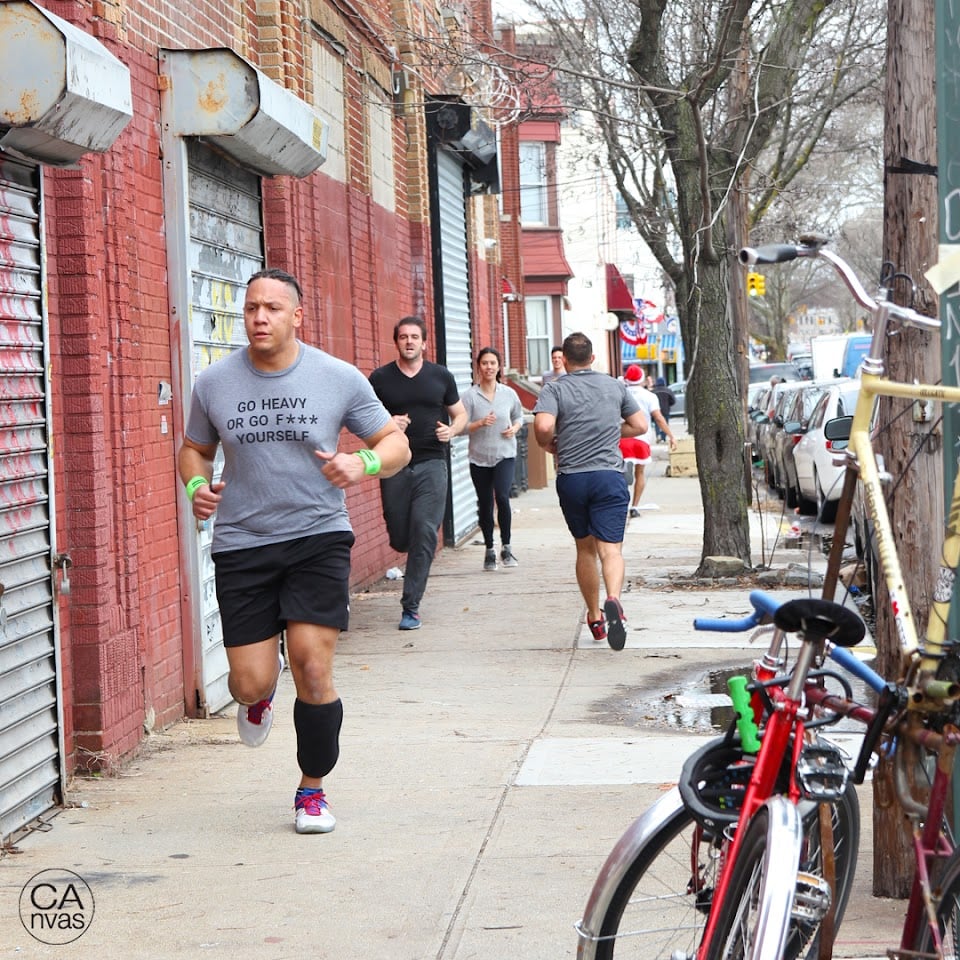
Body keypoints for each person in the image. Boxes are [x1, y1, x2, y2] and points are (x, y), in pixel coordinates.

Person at [178, 268, 410, 835]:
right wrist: (194, 488)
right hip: (243, 542)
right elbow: (193, 450)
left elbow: (396, 443)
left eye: (272, 309)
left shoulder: (337, 377)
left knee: (312, 663)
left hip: (317, 537)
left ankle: (312, 789)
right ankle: (259, 700)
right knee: (248, 681)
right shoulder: (214, 383)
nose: (259, 317)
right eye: (251, 308)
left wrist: (364, 462)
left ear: (296, 316)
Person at [533, 332, 648, 651]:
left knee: (585, 549)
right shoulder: (614, 385)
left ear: (565, 361)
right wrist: (609, 430)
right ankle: (615, 600)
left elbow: (543, 427)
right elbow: (640, 425)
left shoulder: (555, 387)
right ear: (593, 357)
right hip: (609, 477)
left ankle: (596, 617)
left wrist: (549, 443)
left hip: (573, 478)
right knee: (611, 550)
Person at [369, 317, 468, 631]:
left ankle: (410, 607)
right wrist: (387, 424)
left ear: (424, 343)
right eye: (403, 337)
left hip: (431, 462)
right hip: (394, 464)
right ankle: (407, 549)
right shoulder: (381, 378)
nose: (409, 341)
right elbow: (365, 418)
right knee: (401, 536)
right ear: (396, 342)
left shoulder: (441, 376)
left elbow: (461, 413)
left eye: (414, 337)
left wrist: (452, 430)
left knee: (425, 530)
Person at [462, 347, 524, 571]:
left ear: (499, 367)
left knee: (503, 497)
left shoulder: (508, 393)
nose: (489, 367)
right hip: (479, 457)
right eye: (485, 363)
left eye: (493, 363)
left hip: (505, 453)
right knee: (485, 502)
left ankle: (507, 548)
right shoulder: (469, 396)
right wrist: (479, 424)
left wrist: (514, 428)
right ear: (478, 366)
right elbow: (460, 427)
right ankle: (489, 549)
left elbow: (519, 416)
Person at [621, 365, 678, 518]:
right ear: (642, 379)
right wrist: (671, 436)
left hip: (621, 439)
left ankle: (620, 504)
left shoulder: (620, 393)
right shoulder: (649, 396)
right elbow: (659, 418)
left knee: (617, 474)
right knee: (640, 473)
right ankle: (634, 506)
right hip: (641, 439)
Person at [651, 376, 676, 442]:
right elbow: (673, 401)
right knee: (665, 423)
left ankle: (658, 434)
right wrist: (668, 405)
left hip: (656, 410)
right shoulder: (668, 390)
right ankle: (663, 437)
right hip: (666, 410)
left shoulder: (653, 391)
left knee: (657, 423)